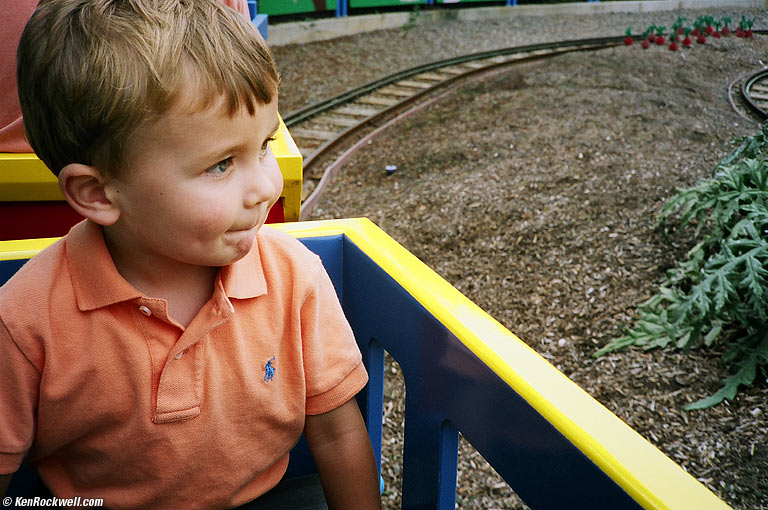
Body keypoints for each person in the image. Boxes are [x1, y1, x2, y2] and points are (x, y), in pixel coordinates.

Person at [0, 1, 381, 509]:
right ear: (97, 193)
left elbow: (336, 433)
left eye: (264, 145)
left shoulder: (294, 277)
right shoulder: (26, 321)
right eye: (222, 164)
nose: (266, 186)